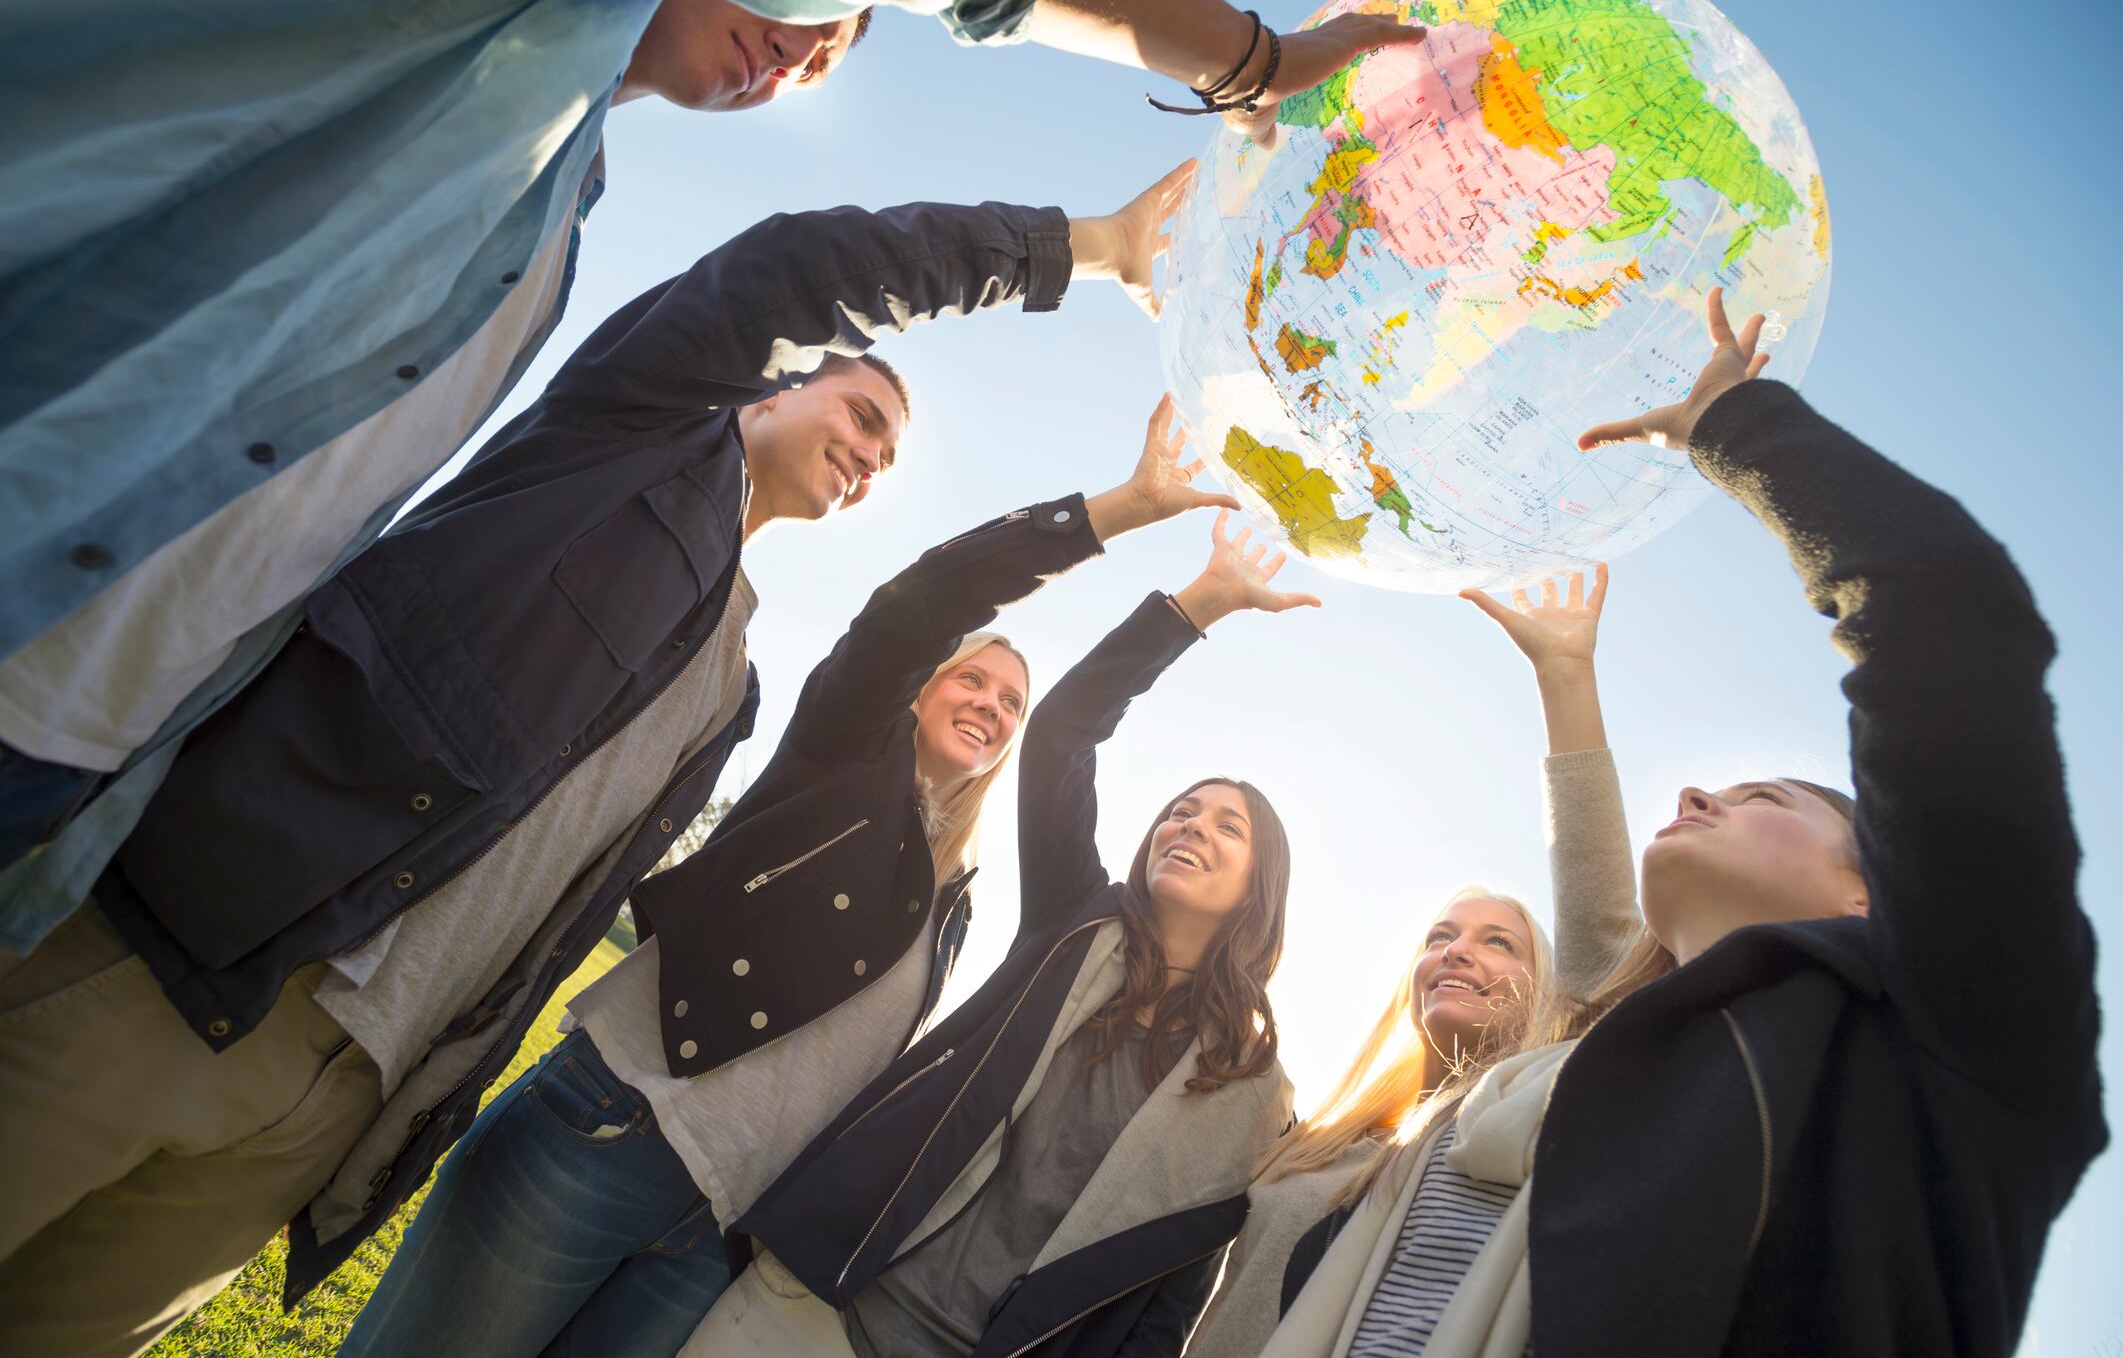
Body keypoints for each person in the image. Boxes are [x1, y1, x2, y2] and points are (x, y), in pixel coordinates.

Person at [0, 170, 1187, 1358]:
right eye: (863, 415)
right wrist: (1088, 255)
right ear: (777, 380)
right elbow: (801, 284)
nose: (874, 456)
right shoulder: (619, 446)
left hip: (346, 1094)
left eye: (889, 450)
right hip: (199, 961)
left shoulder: (733, 684)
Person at [0, 0, 1423, 931]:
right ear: (764, 393)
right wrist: (1222, 96)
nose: (806, 50)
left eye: (832, 58)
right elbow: (802, 279)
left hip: (90, 736)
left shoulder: (539, 227)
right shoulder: (626, 384)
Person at [1270, 291, 2105, 1358]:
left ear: (1869, 891)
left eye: (1765, 797)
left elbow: (1950, 623)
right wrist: (1564, 673)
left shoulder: (1954, 1036)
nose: (1695, 796)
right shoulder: (1555, 1073)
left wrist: (1735, 423)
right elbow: (1597, 923)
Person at [337, 401, 1240, 1357]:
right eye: (972, 679)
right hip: (613, 1130)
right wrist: (1117, 512)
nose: (992, 704)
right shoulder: (840, 754)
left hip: (718, 1228)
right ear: (924, 683)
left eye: (1009, 703)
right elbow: (924, 602)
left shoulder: (954, 897)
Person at [681, 511, 1318, 1357]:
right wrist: (1198, 605)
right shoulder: (1074, 917)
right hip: (823, 1301)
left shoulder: (1252, 1091)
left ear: (1258, 887)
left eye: (1226, 825)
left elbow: (1168, 1294)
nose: (1188, 825)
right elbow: (1064, 731)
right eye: (1179, 810)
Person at [1186, 567, 1640, 1358]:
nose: (1457, 949)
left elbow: (1601, 926)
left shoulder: (1552, 1131)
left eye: (1500, 941)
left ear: (1552, 991)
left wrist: (1563, 679)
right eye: (1439, 936)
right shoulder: (1317, 1140)